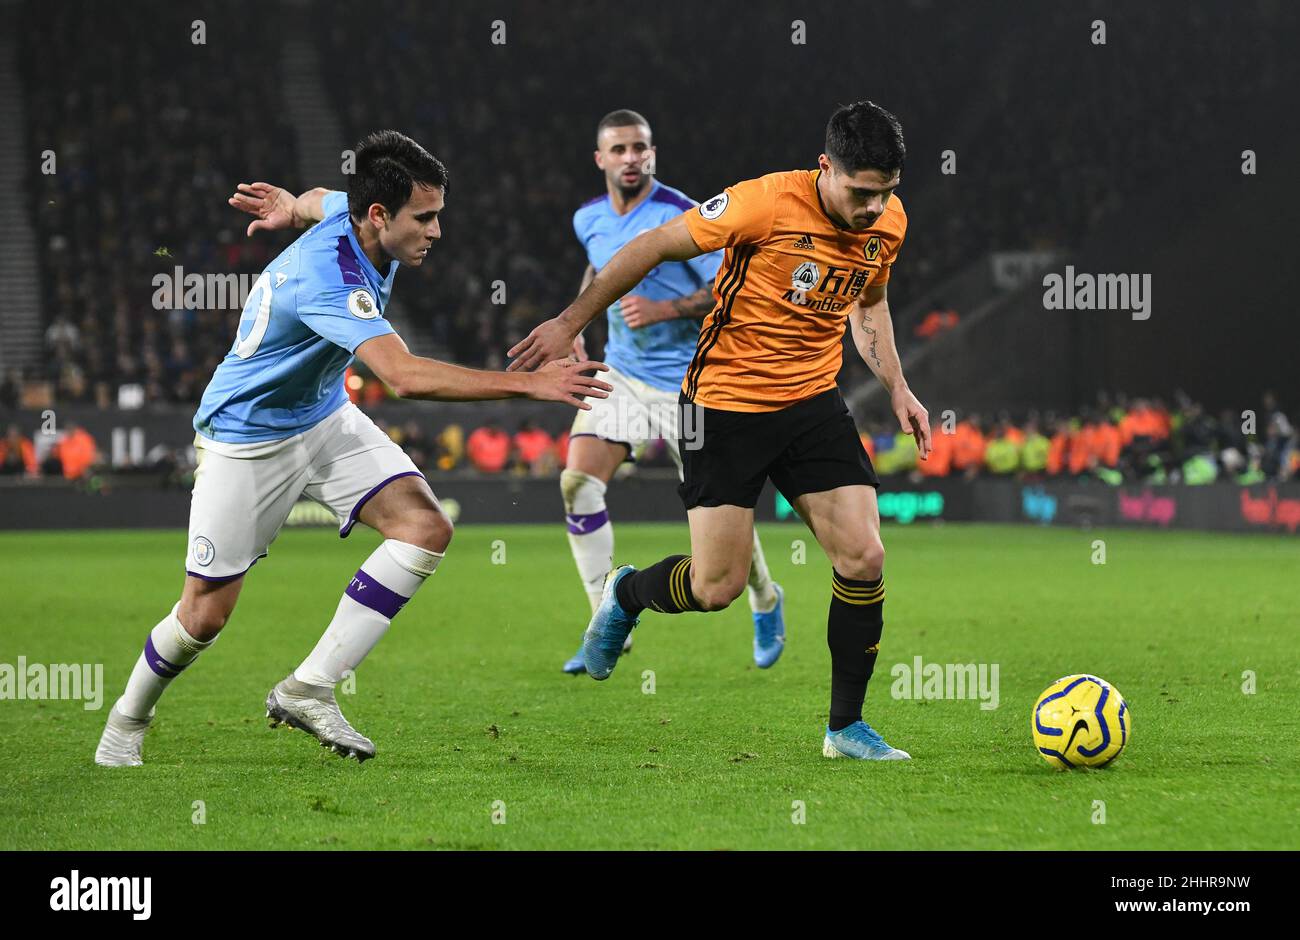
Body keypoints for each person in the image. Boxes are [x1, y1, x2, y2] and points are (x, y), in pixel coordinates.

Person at [95, 130, 611, 767]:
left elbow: (319, 198)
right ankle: (125, 722)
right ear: (380, 216)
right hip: (247, 439)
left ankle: (309, 687)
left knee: (424, 526)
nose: (437, 231)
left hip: (322, 414)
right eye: (425, 218)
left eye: (438, 214)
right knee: (203, 617)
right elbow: (405, 377)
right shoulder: (328, 276)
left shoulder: (357, 210)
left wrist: (290, 203)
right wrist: (530, 384)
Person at [510, 101, 931, 761]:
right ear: (826, 167)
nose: (874, 208)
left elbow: (869, 303)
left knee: (864, 557)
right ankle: (626, 592)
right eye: (861, 192)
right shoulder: (760, 204)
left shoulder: (889, 222)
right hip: (723, 405)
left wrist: (899, 388)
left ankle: (844, 727)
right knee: (716, 587)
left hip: (812, 403)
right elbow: (649, 246)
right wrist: (569, 322)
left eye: (886, 193)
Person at [558, 109, 786, 675]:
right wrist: (580, 326)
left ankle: (765, 596)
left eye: (641, 148)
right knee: (577, 484)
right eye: (620, 149)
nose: (631, 158)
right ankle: (605, 621)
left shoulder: (684, 213)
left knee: (720, 513)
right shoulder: (587, 218)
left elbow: (728, 286)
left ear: (653, 153)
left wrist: (664, 308)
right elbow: (597, 272)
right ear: (601, 159)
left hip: (693, 383)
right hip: (622, 377)